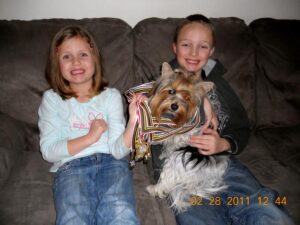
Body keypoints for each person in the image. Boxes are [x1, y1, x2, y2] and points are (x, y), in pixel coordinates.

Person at [150, 14, 295, 225]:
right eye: (186, 44)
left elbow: (241, 127)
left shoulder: (220, 85)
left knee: (265, 210)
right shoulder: (164, 80)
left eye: (202, 46)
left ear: (211, 52)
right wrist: (200, 102)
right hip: (181, 169)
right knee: (198, 218)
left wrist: (223, 143)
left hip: (222, 163)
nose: (193, 52)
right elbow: (149, 117)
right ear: (174, 47)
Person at [38, 25, 141, 225]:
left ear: (95, 58)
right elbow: (49, 151)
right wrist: (90, 138)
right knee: (73, 217)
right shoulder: (52, 99)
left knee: (120, 212)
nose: (76, 61)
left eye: (83, 54)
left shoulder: (110, 96)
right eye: (66, 56)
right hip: (71, 167)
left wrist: (134, 121)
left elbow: (119, 151)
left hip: (113, 163)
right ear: (56, 63)